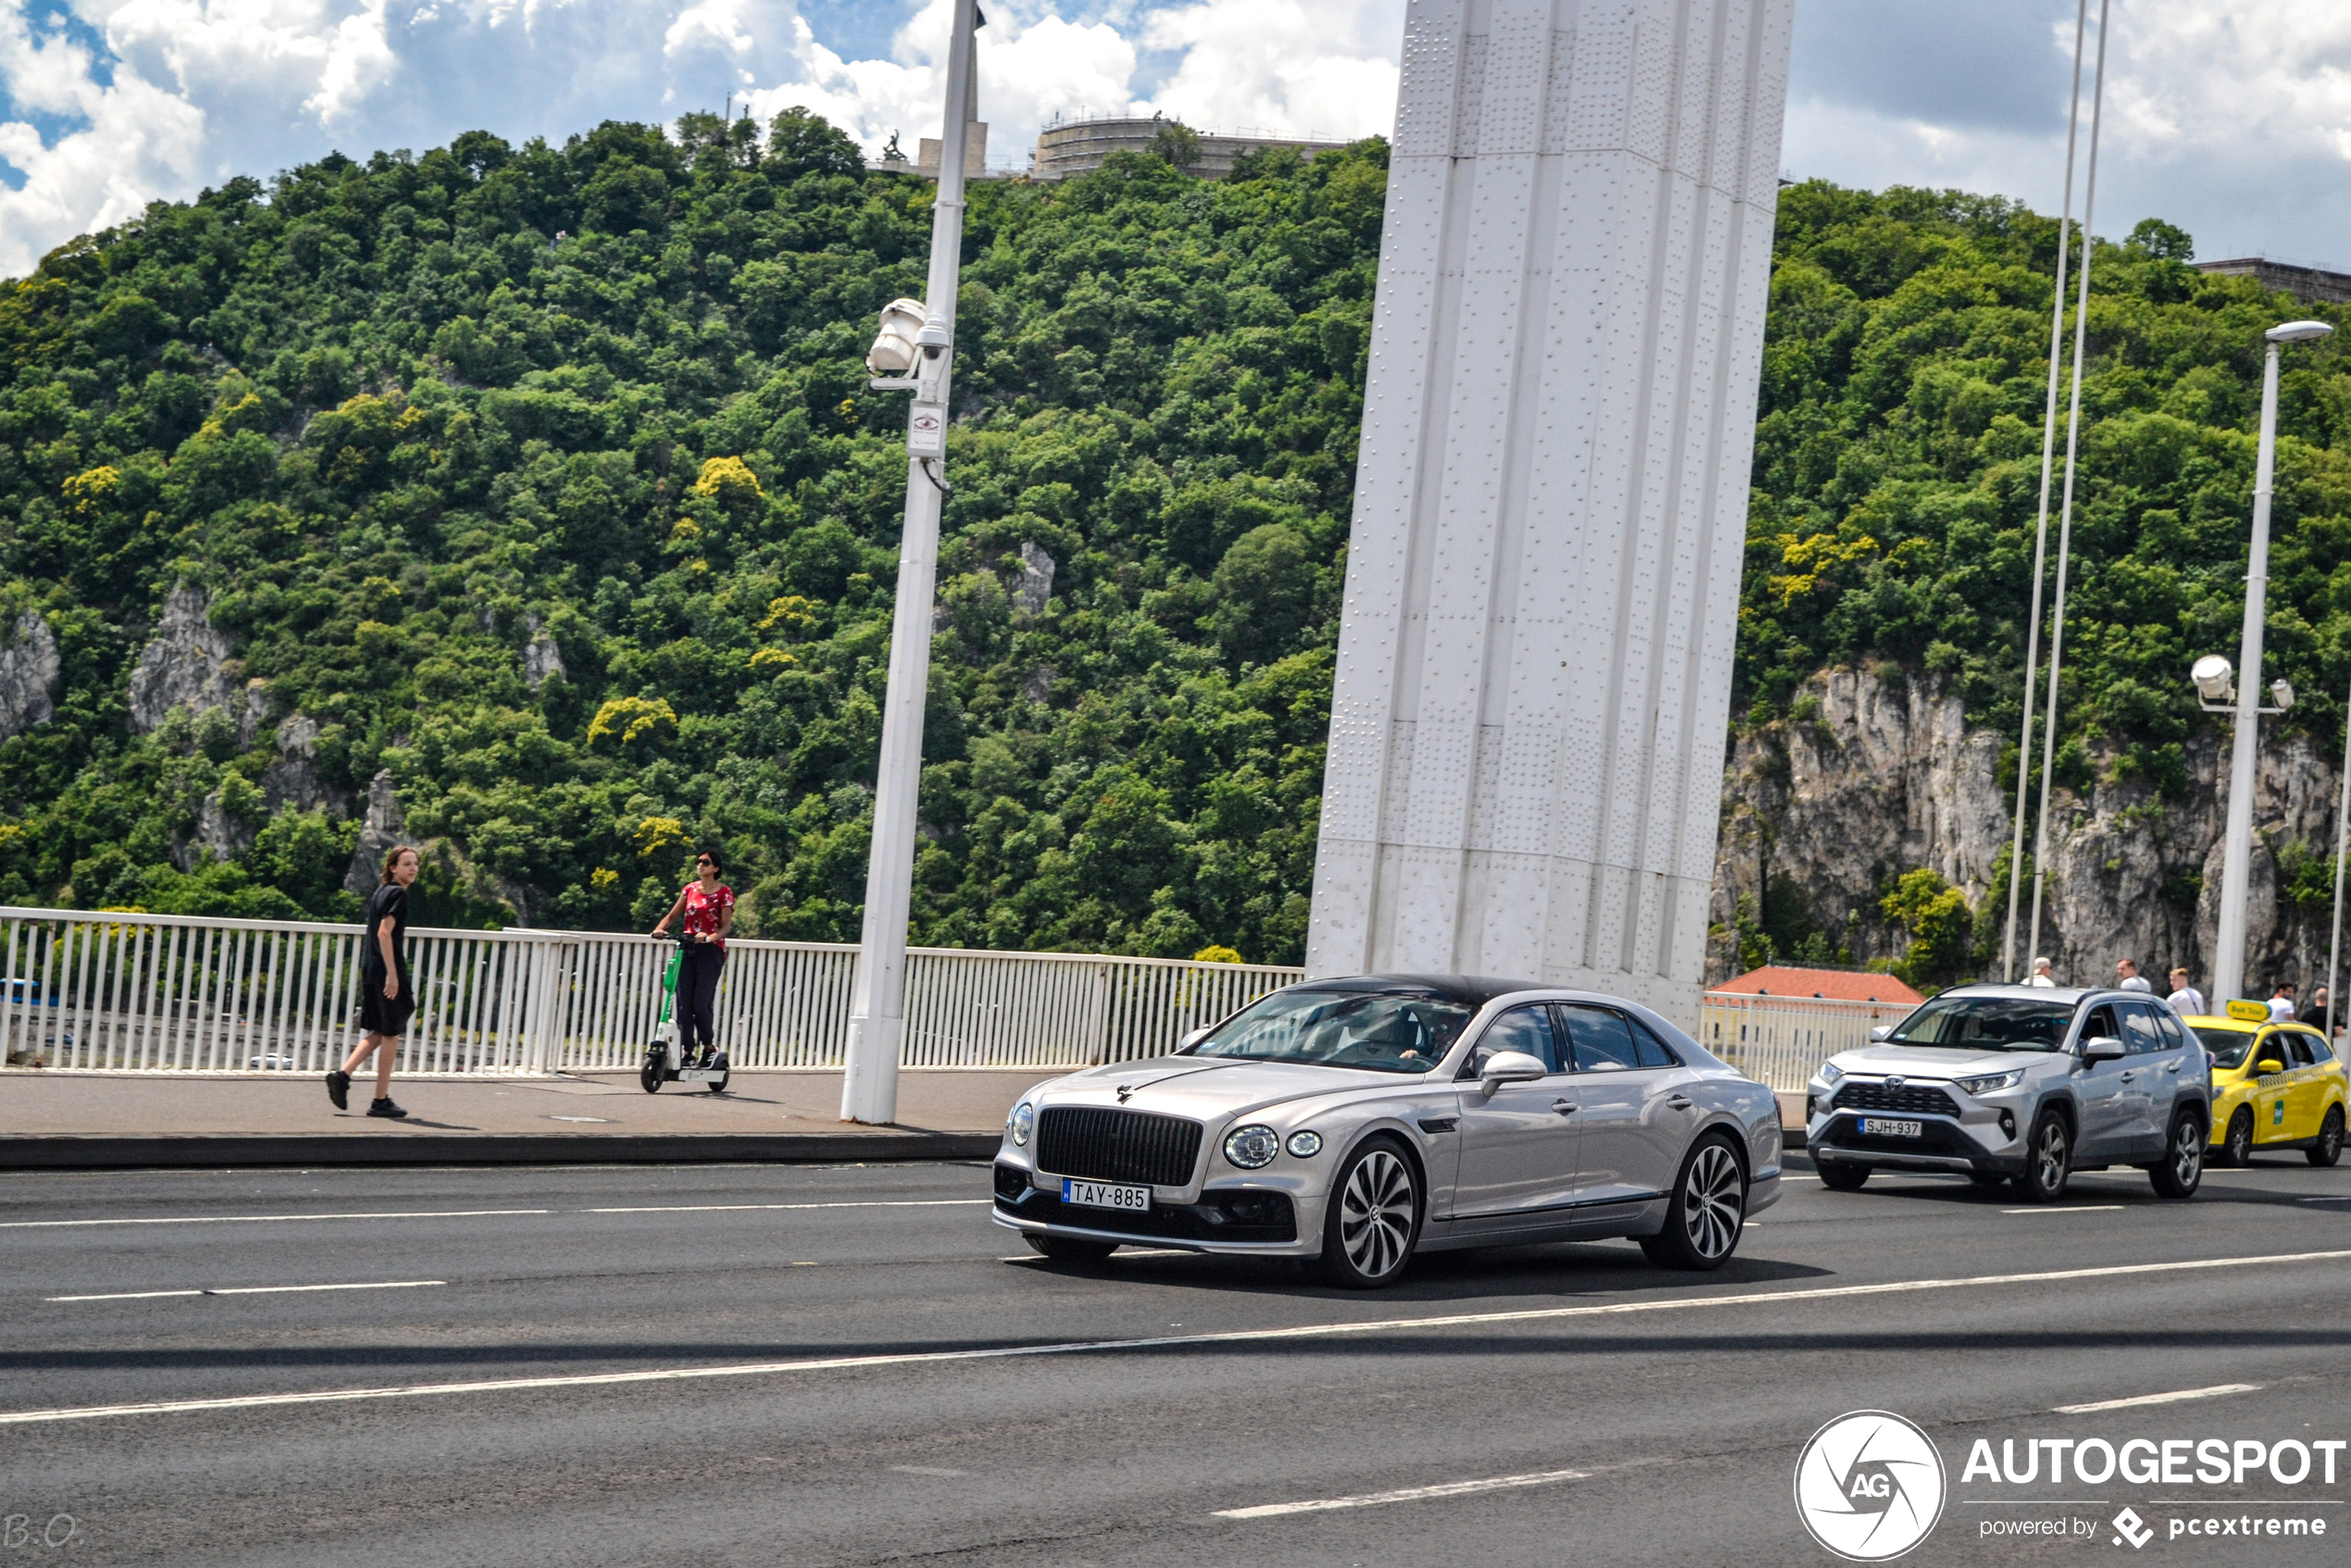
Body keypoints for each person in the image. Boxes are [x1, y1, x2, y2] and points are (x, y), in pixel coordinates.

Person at [328, 845, 418, 1118]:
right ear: (393, 867)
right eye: (406, 864)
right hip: (385, 969)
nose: (413, 868)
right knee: (392, 1032)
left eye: (415, 864)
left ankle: (342, 1075)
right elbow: (384, 933)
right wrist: (392, 973)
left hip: (370, 967)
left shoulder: (381, 892)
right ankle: (380, 1100)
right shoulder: (398, 893)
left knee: (381, 1028)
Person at [652, 848, 734, 1066]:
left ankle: (708, 1046)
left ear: (715, 868)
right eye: (698, 862)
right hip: (686, 948)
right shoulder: (690, 890)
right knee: (683, 1004)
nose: (700, 865)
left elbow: (726, 927)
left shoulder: (723, 892)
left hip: (710, 951)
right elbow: (672, 916)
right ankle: (688, 1051)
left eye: (705, 862)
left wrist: (709, 938)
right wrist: (660, 929)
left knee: (700, 1003)